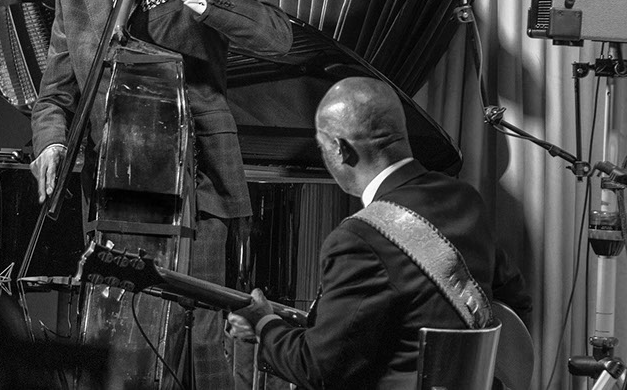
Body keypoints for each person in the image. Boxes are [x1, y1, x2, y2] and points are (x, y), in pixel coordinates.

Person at [29, 0, 293, 385]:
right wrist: (51, 142)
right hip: (113, 194)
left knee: (200, 349)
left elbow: (275, 35)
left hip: (195, 187)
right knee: (117, 351)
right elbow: (55, 94)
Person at [227, 77, 532, 388]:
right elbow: (514, 302)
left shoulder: (358, 239)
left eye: (322, 147)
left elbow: (319, 370)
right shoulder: (464, 199)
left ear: (340, 150)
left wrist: (264, 324)